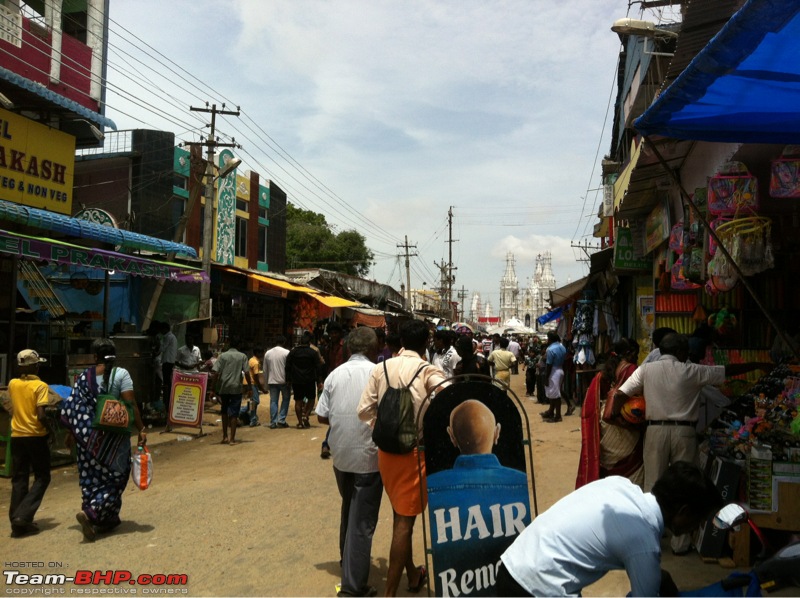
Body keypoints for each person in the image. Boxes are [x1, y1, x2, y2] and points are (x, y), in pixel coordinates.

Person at [613, 332, 769, 554]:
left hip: (655, 431)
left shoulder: (646, 369)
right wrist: (758, 364)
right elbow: (726, 372)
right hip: (684, 433)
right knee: (686, 486)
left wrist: (620, 418)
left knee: (653, 485)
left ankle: (649, 539)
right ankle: (681, 544)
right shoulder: (691, 370)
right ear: (679, 352)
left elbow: (621, 393)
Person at [497, 461, 722, 597]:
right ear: (683, 512)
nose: (697, 527)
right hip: (536, 587)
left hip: (513, 564)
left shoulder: (620, 485)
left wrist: (659, 578)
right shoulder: (644, 542)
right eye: (699, 519)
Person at [357, 319, 447, 597]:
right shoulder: (427, 369)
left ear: (403, 342)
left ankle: (412, 576)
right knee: (404, 524)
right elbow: (449, 394)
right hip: (413, 453)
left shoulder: (381, 367)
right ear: (426, 344)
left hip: (386, 453)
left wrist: (382, 428)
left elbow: (364, 410)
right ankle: (390, 594)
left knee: (401, 514)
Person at [316, 327, 382, 598]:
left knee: (349, 509)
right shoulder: (378, 374)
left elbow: (321, 416)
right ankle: (352, 587)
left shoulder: (335, 374)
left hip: (340, 455)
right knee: (361, 520)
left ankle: (348, 562)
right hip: (368, 457)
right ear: (372, 350)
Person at [60, 338, 146, 542]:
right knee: (117, 478)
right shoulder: (121, 374)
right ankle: (92, 513)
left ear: (95, 356)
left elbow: (74, 409)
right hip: (114, 441)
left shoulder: (82, 378)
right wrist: (141, 429)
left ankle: (106, 518)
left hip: (86, 439)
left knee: (91, 479)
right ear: (114, 355)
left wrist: (71, 434)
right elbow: (130, 403)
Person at [576, 339, 643, 489]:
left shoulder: (604, 373)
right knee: (632, 480)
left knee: (609, 475)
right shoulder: (631, 370)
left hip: (606, 428)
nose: (637, 358)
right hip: (622, 426)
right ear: (628, 353)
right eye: (635, 354)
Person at [8, 349, 51, 538]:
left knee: (19, 478)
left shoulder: (12, 384)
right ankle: (23, 516)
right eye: (37, 364)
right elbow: (41, 415)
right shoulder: (40, 386)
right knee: (42, 477)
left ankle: (16, 520)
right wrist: (50, 430)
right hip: (35, 435)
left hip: (17, 436)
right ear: (34, 366)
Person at [211, 337, 252, 446]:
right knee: (234, 414)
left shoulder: (222, 356)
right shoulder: (242, 356)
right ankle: (232, 439)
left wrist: (212, 389)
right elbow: (247, 373)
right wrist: (249, 387)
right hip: (236, 388)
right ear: (239, 346)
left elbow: (215, 373)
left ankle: (225, 436)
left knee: (224, 411)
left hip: (224, 387)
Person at [286, 331, 324, 429]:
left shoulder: (293, 352)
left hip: (296, 380)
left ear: (300, 342)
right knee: (311, 399)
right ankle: (306, 415)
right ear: (309, 342)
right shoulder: (313, 352)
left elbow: (287, 366)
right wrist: (319, 381)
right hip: (310, 380)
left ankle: (299, 422)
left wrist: (288, 379)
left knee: (298, 401)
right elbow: (318, 367)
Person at [321, 321, 348, 458]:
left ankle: (326, 443)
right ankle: (326, 443)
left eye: (335, 333)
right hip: (332, 382)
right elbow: (327, 365)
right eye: (331, 333)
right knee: (334, 413)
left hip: (344, 382)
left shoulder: (346, 347)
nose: (333, 335)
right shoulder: (327, 348)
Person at [540, 331, 574, 422]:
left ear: (550, 339)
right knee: (554, 392)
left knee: (555, 394)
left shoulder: (550, 349)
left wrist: (546, 377)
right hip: (560, 369)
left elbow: (549, 365)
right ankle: (551, 412)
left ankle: (558, 416)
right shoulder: (562, 347)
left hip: (553, 371)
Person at [264, 336, 291, 429]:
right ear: (284, 342)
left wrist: (266, 383)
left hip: (272, 381)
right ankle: (281, 419)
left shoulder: (268, 353)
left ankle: (273, 421)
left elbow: (265, 369)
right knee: (286, 399)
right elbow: (289, 368)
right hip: (284, 381)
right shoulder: (287, 353)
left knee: (274, 401)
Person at [159, 322, 177, 412]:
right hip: (170, 361)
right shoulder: (172, 336)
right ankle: (167, 399)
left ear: (165, 329)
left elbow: (162, 348)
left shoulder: (168, 337)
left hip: (167, 362)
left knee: (167, 382)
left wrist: (156, 349)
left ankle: (167, 400)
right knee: (167, 381)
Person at [246, 346, 266, 427]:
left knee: (252, 402)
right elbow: (256, 377)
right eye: (261, 353)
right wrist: (261, 388)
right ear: (258, 353)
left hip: (249, 383)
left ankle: (253, 418)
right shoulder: (256, 363)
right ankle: (250, 417)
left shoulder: (251, 359)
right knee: (255, 401)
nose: (262, 354)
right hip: (253, 383)